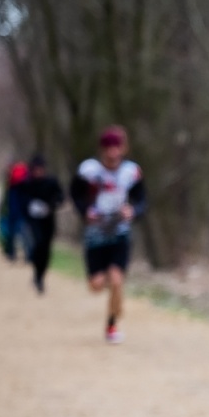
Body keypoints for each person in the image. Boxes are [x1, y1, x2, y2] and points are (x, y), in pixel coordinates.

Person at [70, 126, 146, 343]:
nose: (112, 153)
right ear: (102, 150)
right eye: (108, 148)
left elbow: (142, 200)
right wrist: (85, 211)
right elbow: (75, 194)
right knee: (96, 285)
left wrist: (133, 211)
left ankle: (112, 325)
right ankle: (113, 298)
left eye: (116, 148)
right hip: (95, 235)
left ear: (124, 148)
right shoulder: (89, 171)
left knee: (116, 279)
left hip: (120, 233)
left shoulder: (131, 172)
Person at [22, 154, 64, 294]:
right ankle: (35, 269)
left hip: (48, 220)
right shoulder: (27, 184)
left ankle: (40, 276)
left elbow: (60, 197)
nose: (38, 172)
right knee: (37, 244)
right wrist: (30, 207)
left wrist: (51, 206)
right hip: (33, 221)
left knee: (46, 249)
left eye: (40, 169)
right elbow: (22, 201)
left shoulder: (51, 182)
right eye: (36, 169)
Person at [1, 158, 30, 261]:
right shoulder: (25, 184)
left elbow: (5, 201)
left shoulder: (11, 185)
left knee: (12, 233)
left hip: (13, 212)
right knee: (24, 234)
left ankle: (11, 253)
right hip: (22, 212)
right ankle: (28, 255)